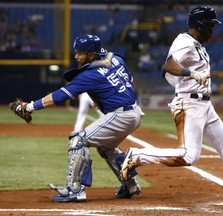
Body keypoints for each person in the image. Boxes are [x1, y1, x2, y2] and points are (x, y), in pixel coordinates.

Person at [120, 6, 223, 208]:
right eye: (210, 26)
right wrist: (190, 73)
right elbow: (169, 65)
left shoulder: (198, 45)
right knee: (189, 156)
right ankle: (137, 155)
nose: (213, 30)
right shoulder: (184, 41)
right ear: (199, 26)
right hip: (189, 103)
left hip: (205, 104)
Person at [15, 34, 144, 202]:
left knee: (78, 140)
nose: (76, 56)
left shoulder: (90, 74)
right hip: (134, 112)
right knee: (106, 147)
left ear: (91, 55)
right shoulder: (116, 58)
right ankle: (130, 184)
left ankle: (75, 190)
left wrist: (30, 106)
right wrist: (107, 95)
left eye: (80, 53)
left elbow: (60, 96)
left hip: (121, 115)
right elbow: (128, 80)